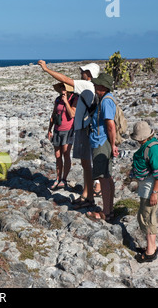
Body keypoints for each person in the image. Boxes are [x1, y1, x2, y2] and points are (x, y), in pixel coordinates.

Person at [38, 60, 100, 208]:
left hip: (84, 129)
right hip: (84, 127)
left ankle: (88, 196)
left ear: (89, 74)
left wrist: (47, 70)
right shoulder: (92, 87)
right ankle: (86, 194)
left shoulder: (87, 85)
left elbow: (65, 80)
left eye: (84, 71)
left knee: (86, 163)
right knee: (86, 164)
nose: (81, 73)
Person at [129, 121, 158, 263]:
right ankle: (150, 246)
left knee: (147, 218)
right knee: (145, 216)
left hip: (152, 189)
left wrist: (154, 193)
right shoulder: (149, 146)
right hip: (147, 188)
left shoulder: (153, 149)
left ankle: (151, 251)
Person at [85, 73, 119, 222]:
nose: (94, 85)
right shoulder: (106, 99)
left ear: (103, 87)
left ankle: (105, 212)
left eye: (97, 84)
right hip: (103, 142)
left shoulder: (105, 102)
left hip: (101, 143)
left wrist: (113, 145)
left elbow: (110, 125)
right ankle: (109, 210)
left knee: (104, 178)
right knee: (107, 176)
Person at [47, 83, 78, 190]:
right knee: (57, 155)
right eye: (61, 88)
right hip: (57, 129)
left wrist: (66, 102)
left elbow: (72, 114)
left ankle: (64, 178)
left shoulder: (74, 99)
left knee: (66, 153)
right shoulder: (57, 99)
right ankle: (58, 177)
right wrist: (49, 129)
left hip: (68, 130)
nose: (62, 89)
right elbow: (53, 114)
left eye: (64, 87)